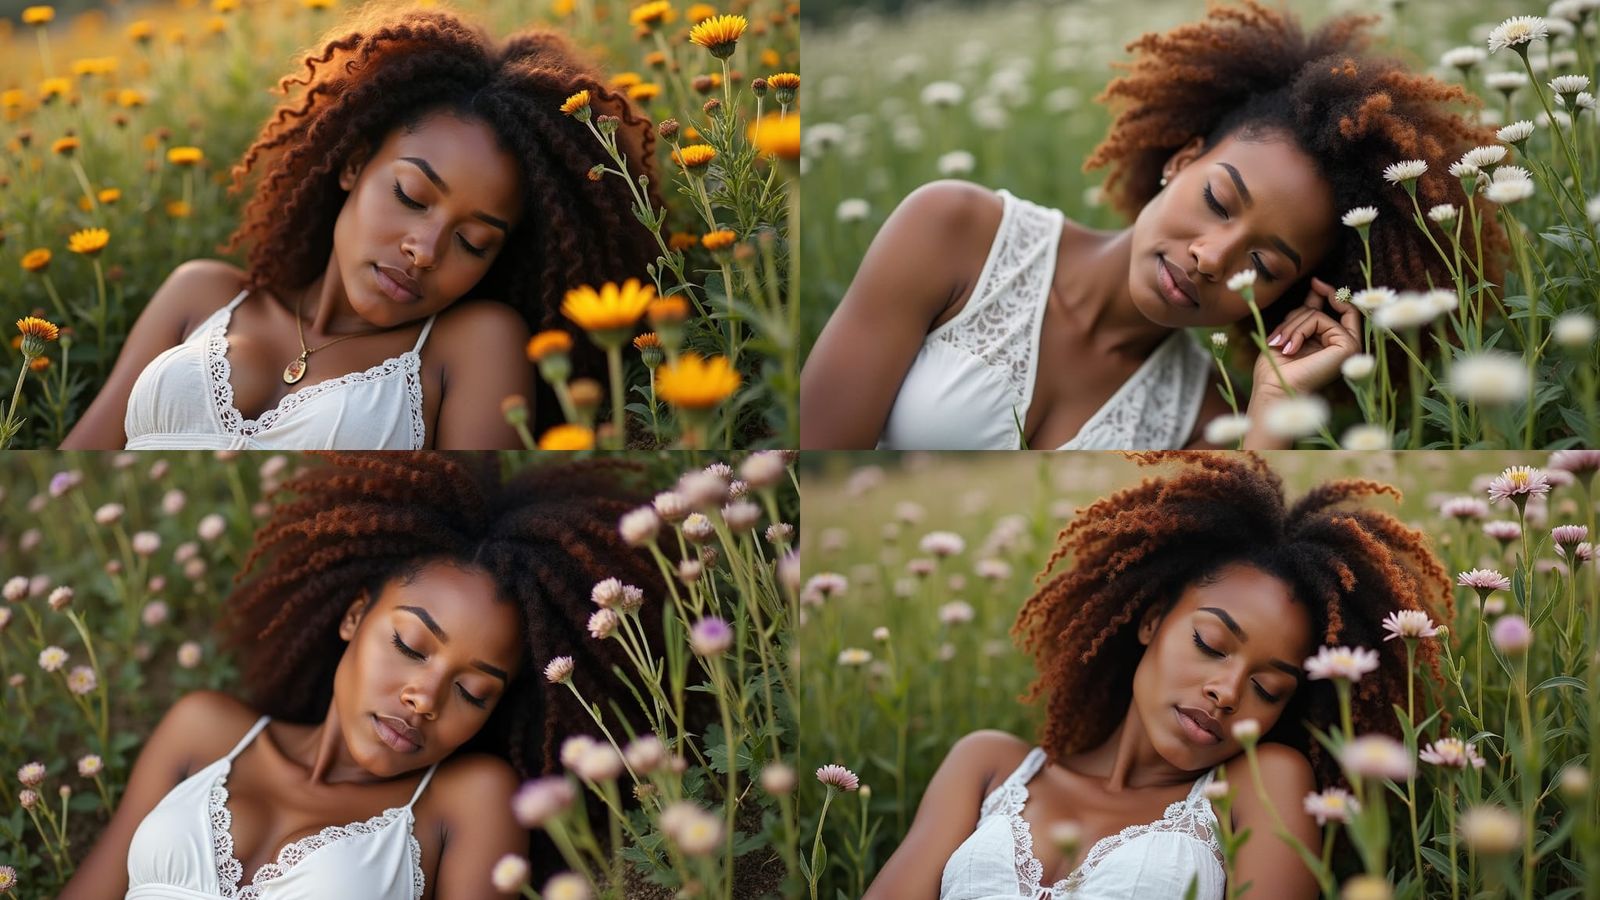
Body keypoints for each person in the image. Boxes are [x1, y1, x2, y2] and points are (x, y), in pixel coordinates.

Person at [800, 1, 1506, 450]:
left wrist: (1270, 405)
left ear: (1286, 299)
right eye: (1220, 201)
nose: (1211, 257)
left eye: (1265, 265)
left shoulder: (1207, 417)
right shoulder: (953, 229)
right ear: (1181, 159)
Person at [59, 452, 669, 899]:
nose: (425, 696)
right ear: (355, 616)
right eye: (409, 644)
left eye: (472, 691)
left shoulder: (467, 800)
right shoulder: (203, 732)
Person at [61, 8, 658, 450]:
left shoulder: (472, 345)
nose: (424, 251)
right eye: (410, 195)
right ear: (351, 164)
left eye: (474, 241)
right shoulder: (200, 294)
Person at [864, 451, 1452, 899]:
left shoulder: (1256, 786)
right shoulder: (987, 765)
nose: (1226, 692)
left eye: (1268, 688)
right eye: (1210, 643)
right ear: (1150, 621)